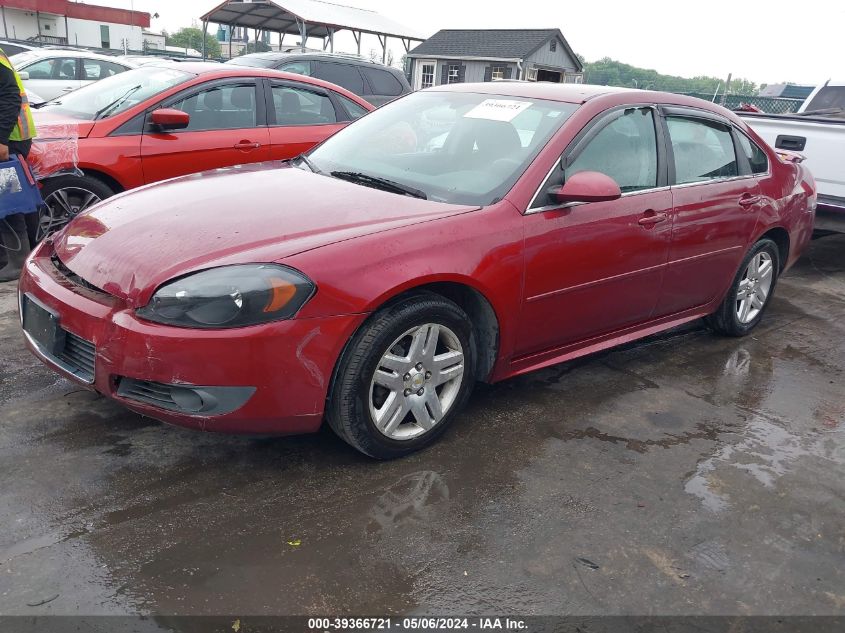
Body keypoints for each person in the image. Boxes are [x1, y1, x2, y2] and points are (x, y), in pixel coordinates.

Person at [0, 45, 36, 282]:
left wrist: (1, 139)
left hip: (10, 139)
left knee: (8, 197)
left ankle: (17, 259)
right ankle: (22, 253)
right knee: (13, 195)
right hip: (10, 138)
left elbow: (10, 96)